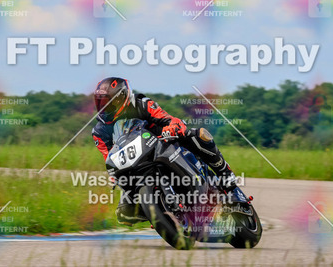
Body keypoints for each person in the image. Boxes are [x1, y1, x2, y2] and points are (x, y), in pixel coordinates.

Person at [91, 77, 246, 226]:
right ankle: (160, 212)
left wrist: (173, 127)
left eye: (108, 102)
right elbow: (109, 157)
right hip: (137, 160)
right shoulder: (99, 131)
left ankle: (227, 177)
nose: (104, 106)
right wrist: (115, 176)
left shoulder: (141, 104)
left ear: (121, 98)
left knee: (198, 135)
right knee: (124, 213)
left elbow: (167, 118)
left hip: (164, 140)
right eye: (100, 102)